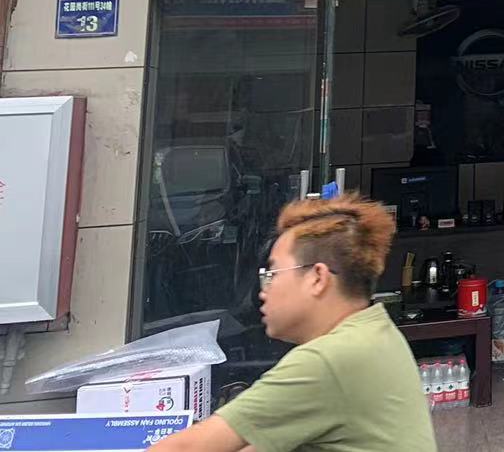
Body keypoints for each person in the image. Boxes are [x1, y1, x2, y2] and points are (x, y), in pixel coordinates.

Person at [155, 193, 436, 452]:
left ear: (317, 278)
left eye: (273, 274)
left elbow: (184, 449)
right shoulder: (376, 332)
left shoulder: (328, 360)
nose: (263, 291)